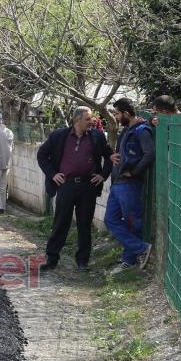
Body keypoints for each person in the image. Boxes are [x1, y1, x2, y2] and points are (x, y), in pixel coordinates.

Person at [36, 106, 114, 271]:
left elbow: (109, 156)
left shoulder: (97, 136)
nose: (92, 121)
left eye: (91, 118)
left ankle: (82, 262)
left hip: (88, 186)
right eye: (88, 119)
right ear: (77, 120)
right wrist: (52, 174)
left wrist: (103, 175)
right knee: (60, 222)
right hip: (66, 185)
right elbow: (42, 155)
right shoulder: (59, 135)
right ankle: (52, 259)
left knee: (85, 224)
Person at [105, 98, 155, 274]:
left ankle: (129, 259)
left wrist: (134, 172)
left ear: (126, 113)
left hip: (130, 184)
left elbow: (149, 154)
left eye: (117, 114)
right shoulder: (126, 130)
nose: (116, 117)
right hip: (117, 183)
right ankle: (140, 248)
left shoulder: (142, 130)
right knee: (110, 220)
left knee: (133, 223)